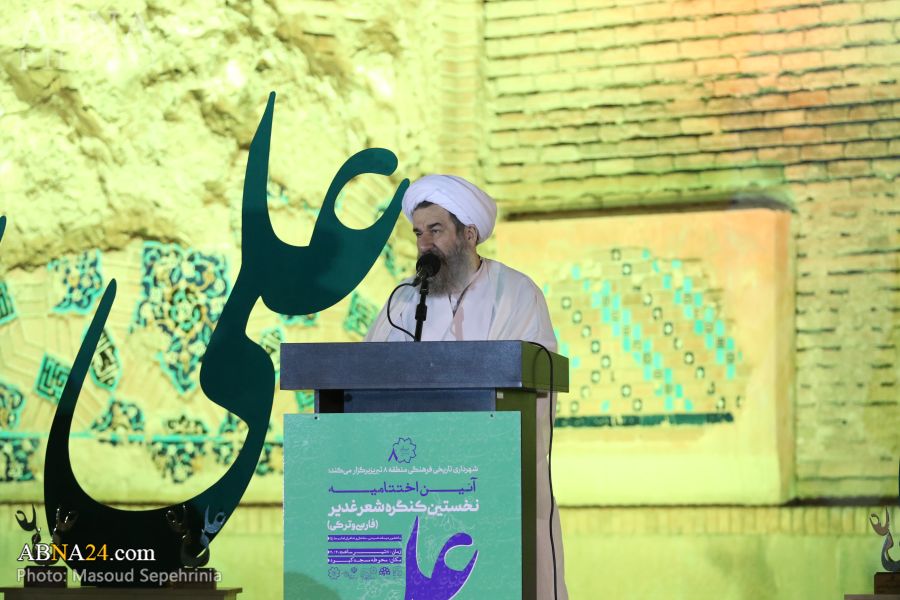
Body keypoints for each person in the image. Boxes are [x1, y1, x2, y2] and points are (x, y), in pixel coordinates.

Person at [364, 174, 568, 599]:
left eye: (436, 230)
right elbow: (364, 379)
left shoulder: (515, 293)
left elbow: (534, 388)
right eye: (418, 233)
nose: (424, 244)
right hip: (412, 488)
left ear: (469, 234)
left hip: (491, 485)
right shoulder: (403, 302)